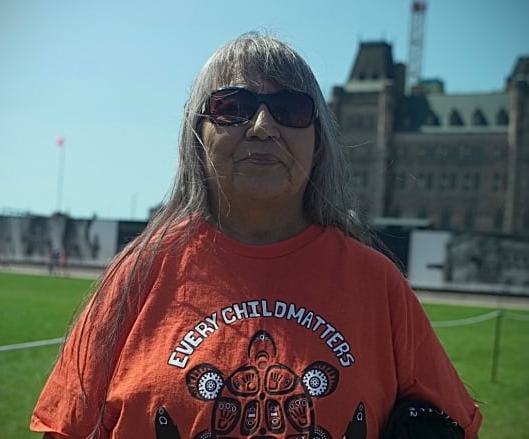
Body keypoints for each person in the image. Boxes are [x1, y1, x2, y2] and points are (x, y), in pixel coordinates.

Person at [30, 32, 482, 439]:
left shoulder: (378, 283)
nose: (264, 127)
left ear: (319, 141)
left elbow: (453, 425)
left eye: (290, 110)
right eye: (233, 108)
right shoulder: (138, 273)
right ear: (197, 136)